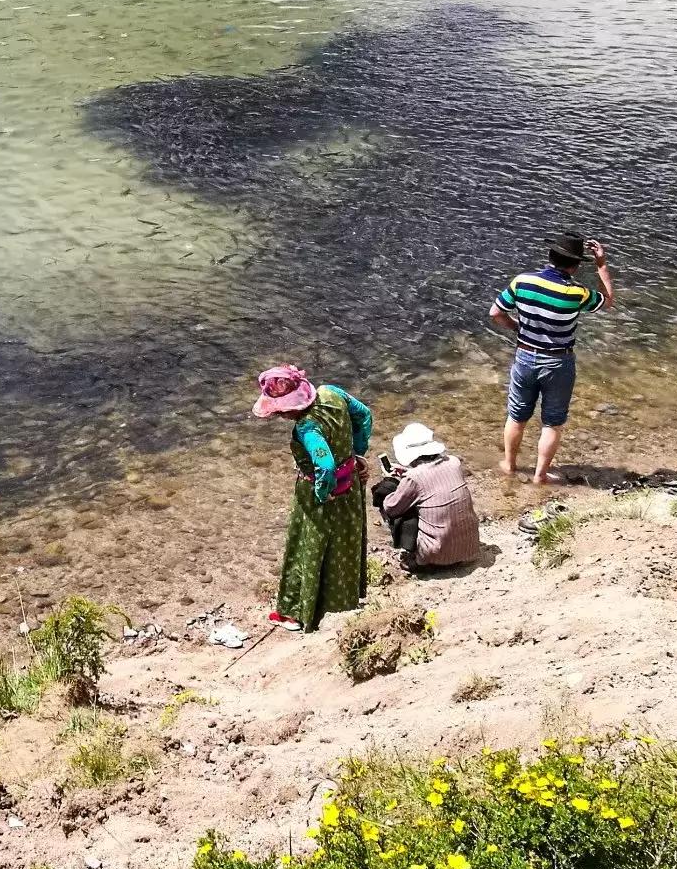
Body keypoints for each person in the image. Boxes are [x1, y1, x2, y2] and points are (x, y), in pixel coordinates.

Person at [253, 364, 371, 632]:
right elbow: (364, 415)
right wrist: (358, 452)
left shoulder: (307, 427)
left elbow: (325, 465)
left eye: (280, 411)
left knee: (307, 547)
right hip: (350, 485)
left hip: (320, 495)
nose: (281, 416)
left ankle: (296, 612)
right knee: (343, 545)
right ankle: (342, 604)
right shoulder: (332, 393)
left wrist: (322, 492)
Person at [489, 232, 614, 484]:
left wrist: (518, 329)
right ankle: (540, 476)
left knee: (516, 416)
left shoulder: (522, 281)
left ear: (550, 256)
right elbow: (608, 301)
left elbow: (495, 313)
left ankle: (509, 466)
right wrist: (601, 264)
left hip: (525, 356)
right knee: (552, 422)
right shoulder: (577, 293)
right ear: (575, 266)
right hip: (559, 362)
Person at [372, 422, 480, 571]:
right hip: (469, 548)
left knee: (384, 492)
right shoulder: (454, 462)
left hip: (435, 554)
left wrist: (390, 480)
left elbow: (391, 508)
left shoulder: (414, 478)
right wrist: (406, 473)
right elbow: (434, 480)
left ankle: (417, 558)